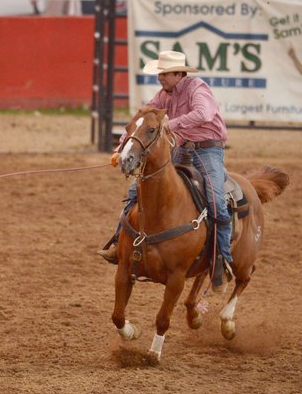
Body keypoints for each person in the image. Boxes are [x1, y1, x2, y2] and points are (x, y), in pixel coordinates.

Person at [98, 50, 233, 292]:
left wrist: (169, 124)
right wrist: (122, 147)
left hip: (208, 149)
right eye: (159, 74)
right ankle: (119, 244)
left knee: (217, 203)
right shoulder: (163, 95)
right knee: (134, 192)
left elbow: (204, 114)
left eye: (165, 74)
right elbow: (140, 120)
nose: (160, 78)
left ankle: (221, 260)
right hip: (181, 149)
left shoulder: (197, 89)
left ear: (179, 74)